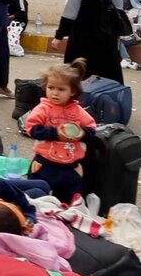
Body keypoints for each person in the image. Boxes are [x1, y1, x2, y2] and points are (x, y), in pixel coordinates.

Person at [25, 58, 97, 203]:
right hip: (44, 164)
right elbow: (31, 128)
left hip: (71, 166)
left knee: (70, 200)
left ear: (73, 91)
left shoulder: (77, 111)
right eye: (51, 88)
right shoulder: (44, 108)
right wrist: (55, 134)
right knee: (39, 197)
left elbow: (91, 128)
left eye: (61, 89)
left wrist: (82, 134)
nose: (55, 93)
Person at [51, 0, 125, 84]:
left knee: (79, 72)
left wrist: (59, 36)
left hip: (83, 37)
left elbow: (70, 12)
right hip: (107, 36)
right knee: (106, 72)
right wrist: (117, 32)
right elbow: (118, 9)